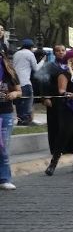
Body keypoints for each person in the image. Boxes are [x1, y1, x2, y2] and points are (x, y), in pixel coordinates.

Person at [0, 53, 23, 190]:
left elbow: (19, 91)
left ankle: (4, 178)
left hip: (5, 112)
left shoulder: (9, 71)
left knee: (3, 147)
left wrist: (15, 94)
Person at [12, 39, 38, 126]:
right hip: (25, 81)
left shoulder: (16, 53)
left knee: (19, 102)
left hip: (15, 82)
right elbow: (36, 68)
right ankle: (26, 120)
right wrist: (42, 61)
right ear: (31, 47)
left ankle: (20, 119)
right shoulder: (30, 54)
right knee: (27, 101)